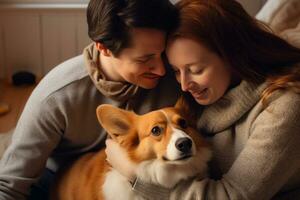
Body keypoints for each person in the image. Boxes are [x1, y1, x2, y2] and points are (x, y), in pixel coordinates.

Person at [105, 0, 300, 199]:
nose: (184, 85)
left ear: (232, 54)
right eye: (176, 71)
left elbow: (234, 196)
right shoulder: (202, 90)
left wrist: (134, 175)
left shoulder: (285, 108)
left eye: (195, 70)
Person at [0, 0, 180, 199]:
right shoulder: (56, 96)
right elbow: (10, 185)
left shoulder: (178, 78)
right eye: (144, 59)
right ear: (104, 48)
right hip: (53, 178)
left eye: (162, 54)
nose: (161, 69)